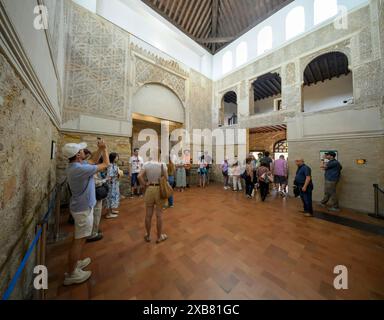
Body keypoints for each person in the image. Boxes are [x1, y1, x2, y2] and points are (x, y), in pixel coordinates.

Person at [62, 140, 110, 285]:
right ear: (78, 155)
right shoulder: (79, 169)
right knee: (79, 240)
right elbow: (105, 164)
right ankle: (71, 274)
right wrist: (105, 148)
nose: (84, 151)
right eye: (81, 150)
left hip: (81, 207)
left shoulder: (77, 165)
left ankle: (75, 263)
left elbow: (94, 160)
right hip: (83, 209)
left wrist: (99, 149)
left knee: (80, 237)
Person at [138, 155, 168, 244]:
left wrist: (145, 184)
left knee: (148, 215)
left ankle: (148, 235)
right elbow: (166, 178)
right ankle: (159, 237)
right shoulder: (162, 164)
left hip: (150, 189)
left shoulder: (146, 164)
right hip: (159, 190)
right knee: (159, 215)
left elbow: (139, 176)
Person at [87, 156, 107, 242]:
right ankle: (92, 234)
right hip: (95, 194)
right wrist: (104, 180)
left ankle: (94, 229)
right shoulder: (92, 169)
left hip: (92, 194)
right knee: (96, 213)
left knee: (95, 213)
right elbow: (96, 182)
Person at [105, 152, 121, 219]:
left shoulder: (114, 164)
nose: (117, 158)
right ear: (113, 158)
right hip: (111, 184)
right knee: (110, 198)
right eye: (116, 157)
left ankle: (111, 210)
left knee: (113, 197)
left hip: (115, 183)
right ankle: (108, 214)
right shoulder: (110, 165)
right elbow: (110, 176)